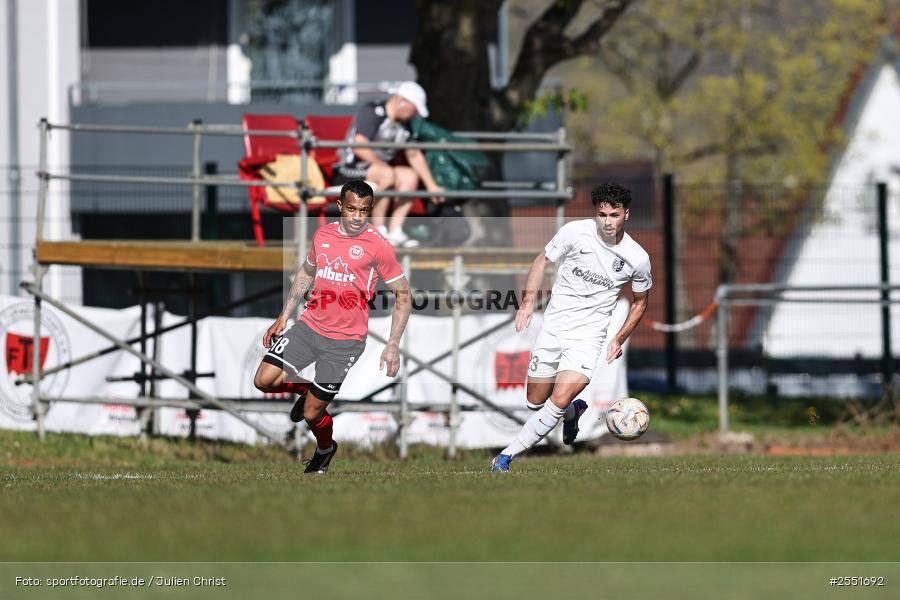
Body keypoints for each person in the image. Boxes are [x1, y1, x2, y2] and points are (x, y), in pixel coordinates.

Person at [490, 182, 652, 472]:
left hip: (589, 337)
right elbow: (542, 261)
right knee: (534, 401)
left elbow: (640, 302)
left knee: (559, 397)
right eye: (602, 214)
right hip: (554, 327)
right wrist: (527, 303)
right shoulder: (574, 232)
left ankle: (505, 457)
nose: (607, 222)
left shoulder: (637, 258)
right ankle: (572, 412)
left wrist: (619, 337)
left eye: (614, 215)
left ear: (626, 215)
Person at [253, 179, 411, 474]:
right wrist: (284, 315)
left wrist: (393, 344)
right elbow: (306, 272)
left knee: (313, 413)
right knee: (264, 379)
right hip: (309, 326)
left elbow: (403, 293)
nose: (357, 216)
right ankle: (308, 390)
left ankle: (324, 450)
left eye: (364, 210)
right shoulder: (323, 235)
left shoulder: (378, 245)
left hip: (345, 341)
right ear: (339, 206)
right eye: (351, 208)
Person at [334, 81, 445, 248]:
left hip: (379, 170)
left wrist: (431, 185)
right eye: (414, 110)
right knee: (387, 174)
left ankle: (395, 231)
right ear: (403, 102)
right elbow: (359, 146)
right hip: (349, 169)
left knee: (409, 176)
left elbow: (414, 154)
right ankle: (378, 230)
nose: (414, 115)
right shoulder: (372, 111)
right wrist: (383, 167)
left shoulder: (405, 126)